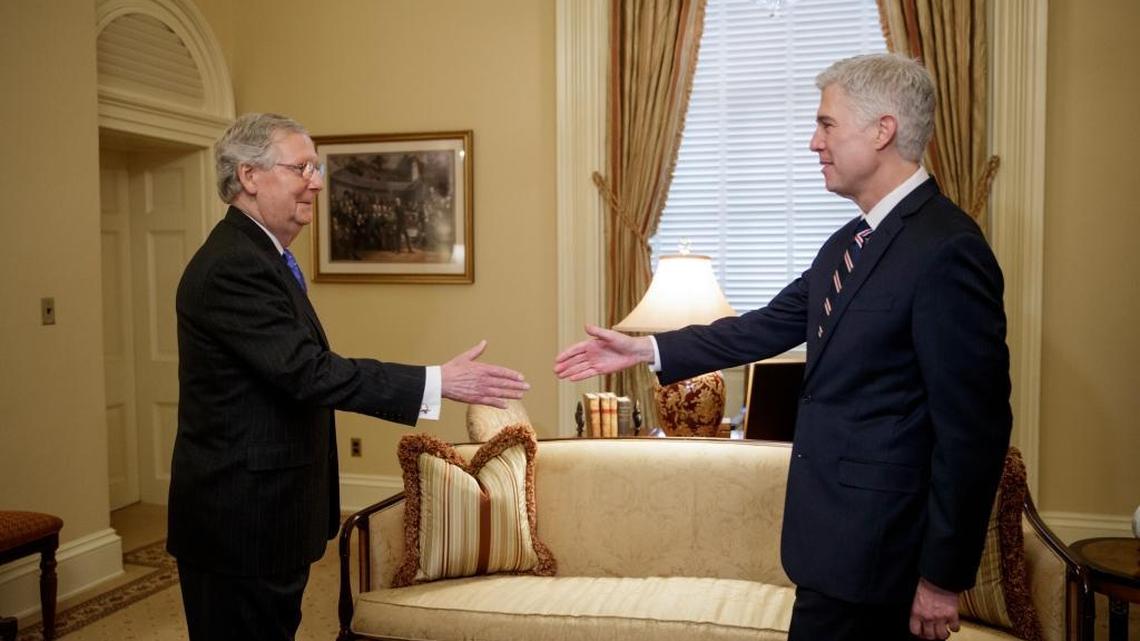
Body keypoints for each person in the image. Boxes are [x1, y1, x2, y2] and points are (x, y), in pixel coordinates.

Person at [554, 53, 1011, 641]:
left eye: (826, 124)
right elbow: (765, 327)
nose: (813, 142)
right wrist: (646, 351)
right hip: (830, 552)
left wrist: (943, 579)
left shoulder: (948, 249)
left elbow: (974, 429)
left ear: (883, 130)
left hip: (885, 557)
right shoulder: (849, 243)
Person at [168, 112, 530, 641]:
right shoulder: (233, 265)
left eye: (317, 167)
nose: (317, 181)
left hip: (267, 515)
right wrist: (436, 382)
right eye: (302, 167)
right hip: (240, 521)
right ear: (249, 176)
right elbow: (307, 372)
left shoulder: (264, 256)